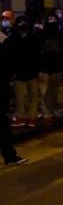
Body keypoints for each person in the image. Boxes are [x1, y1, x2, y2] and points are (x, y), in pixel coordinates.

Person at [7, 16, 41, 127]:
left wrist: (38, 70)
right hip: (19, 73)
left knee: (34, 97)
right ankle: (20, 117)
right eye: (20, 23)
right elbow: (10, 57)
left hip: (32, 73)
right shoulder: (12, 39)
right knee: (19, 98)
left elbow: (37, 55)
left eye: (25, 22)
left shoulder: (33, 38)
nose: (23, 25)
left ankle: (32, 117)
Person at [0, 26, 25, 164]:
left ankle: (9, 155)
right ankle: (9, 155)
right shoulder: (4, 40)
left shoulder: (4, 40)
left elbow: (9, 64)